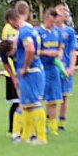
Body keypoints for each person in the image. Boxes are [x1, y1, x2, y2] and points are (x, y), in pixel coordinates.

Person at [4, 8, 47, 143]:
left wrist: (25, 67)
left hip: (31, 72)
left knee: (34, 103)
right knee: (26, 105)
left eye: (10, 24)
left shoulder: (24, 32)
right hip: (31, 72)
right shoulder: (29, 30)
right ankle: (26, 136)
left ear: (12, 20)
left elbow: (30, 49)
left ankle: (41, 137)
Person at [35, 8, 63, 135]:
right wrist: (46, 52)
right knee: (41, 98)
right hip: (42, 68)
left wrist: (59, 54)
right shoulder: (37, 32)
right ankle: (41, 124)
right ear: (46, 19)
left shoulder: (57, 32)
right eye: (51, 22)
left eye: (55, 22)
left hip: (54, 69)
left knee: (54, 99)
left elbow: (60, 47)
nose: (53, 25)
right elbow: (34, 51)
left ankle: (53, 127)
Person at [55, 4, 77, 130]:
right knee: (50, 96)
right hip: (53, 68)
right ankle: (49, 121)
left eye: (61, 14)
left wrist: (71, 67)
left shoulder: (69, 31)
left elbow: (73, 50)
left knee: (64, 96)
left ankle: (62, 123)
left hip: (66, 68)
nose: (58, 16)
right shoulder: (51, 30)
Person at [0, 7, 21, 138]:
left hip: (21, 71)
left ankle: (21, 128)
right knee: (17, 101)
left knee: (22, 101)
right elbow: (5, 50)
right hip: (12, 73)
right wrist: (13, 76)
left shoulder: (24, 29)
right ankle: (13, 128)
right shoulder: (7, 30)